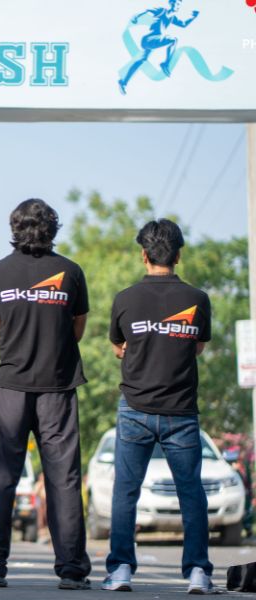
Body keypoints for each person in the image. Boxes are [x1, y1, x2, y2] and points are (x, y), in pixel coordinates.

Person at [0, 199, 92, 590]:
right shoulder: (70, 273)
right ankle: (72, 570)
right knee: (63, 480)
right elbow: (77, 329)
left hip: (10, 388)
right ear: (53, 229)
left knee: (0, 479)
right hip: (57, 388)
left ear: (14, 227)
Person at [102, 219, 216, 594]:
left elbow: (119, 347)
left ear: (144, 254)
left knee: (126, 492)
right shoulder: (198, 299)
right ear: (178, 255)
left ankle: (120, 571)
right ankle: (198, 572)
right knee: (191, 493)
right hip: (181, 412)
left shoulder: (125, 298)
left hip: (135, 407)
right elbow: (197, 346)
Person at [118, 0, 200, 95]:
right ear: (171, 4)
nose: (178, 6)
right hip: (149, 39)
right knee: (173, 40)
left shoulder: (172, 17)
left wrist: (193, 17)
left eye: (179, 5)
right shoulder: (162, 11)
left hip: (153, 42)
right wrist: (135, 16)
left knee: (141, 61)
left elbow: (183, 24)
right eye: (176, 4)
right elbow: (147, 10)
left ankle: (123, 82)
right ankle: (165, 63)